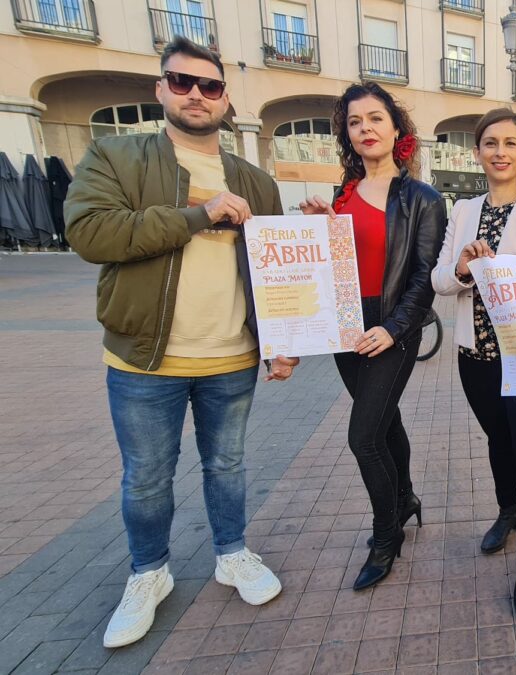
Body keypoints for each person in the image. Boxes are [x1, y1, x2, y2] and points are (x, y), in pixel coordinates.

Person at [65, 37, 298, 648]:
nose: (197, 93)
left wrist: (282, 339)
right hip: (144, 359)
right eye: (182, 81)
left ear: (225, 98)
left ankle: (232, 553)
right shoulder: (117, 157)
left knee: (228, 465)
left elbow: (271, 273)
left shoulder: (254, 179)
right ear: (161, 89)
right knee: (146, 477)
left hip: (231, 358)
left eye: (211, 85)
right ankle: (149, 574)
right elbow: (92, 233)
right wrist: (200, 215)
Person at [298, 82, 446, 591]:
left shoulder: (422, 198)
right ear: (347, 132)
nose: (365, 128)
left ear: (395, 127)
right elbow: (331, 266)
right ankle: (404, 499)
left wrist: (393, 328)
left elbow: (425, 276)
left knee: (363, 437)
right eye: (355, 121)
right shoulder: (341, 195)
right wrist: (321, 230)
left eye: (375, 118)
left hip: (392, 325)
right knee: (384, 423)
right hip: (345, 324)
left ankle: (387, 538)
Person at [431, 108, 516, 615]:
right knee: (498, 441)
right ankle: (509, 511)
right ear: (478, 152)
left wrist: (497, 267)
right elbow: (440, 280)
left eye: (510, 143)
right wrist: (464, 267)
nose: (500, 151)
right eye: (490, 143)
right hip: (475, 357)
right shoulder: (462, 210)